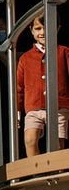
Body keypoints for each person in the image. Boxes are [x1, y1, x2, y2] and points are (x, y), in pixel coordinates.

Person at [16, 13, 69, 158]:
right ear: (32, 30)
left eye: (47, 28)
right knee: (30, 139)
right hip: (33, 107)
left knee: (57, 145)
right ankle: (36, 173)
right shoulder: (25, 58)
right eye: (38, 28)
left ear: (57, 28)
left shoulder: (64, 52)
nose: (43, 32)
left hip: (58, 105)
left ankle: (57, 175)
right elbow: (19, 88)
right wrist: (18, 112)